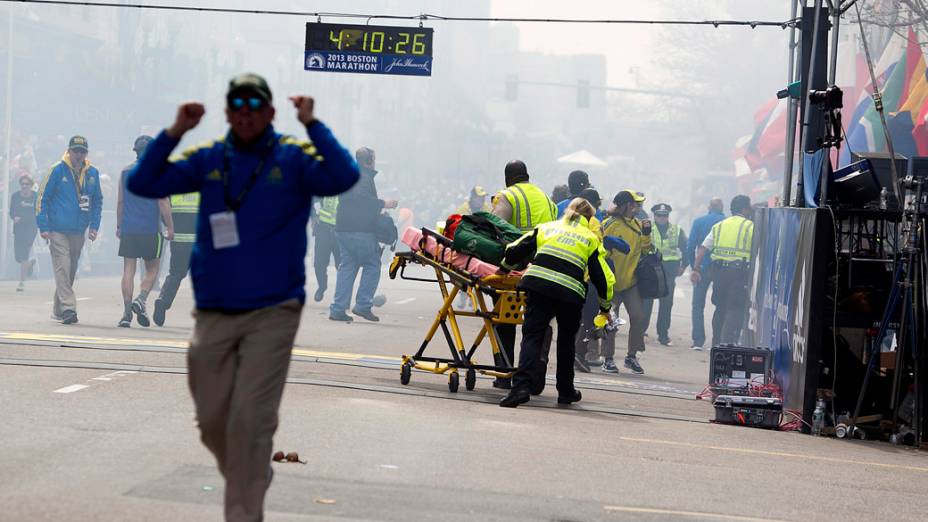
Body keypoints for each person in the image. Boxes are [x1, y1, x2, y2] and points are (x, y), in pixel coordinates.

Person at [127, 72, 359, 521]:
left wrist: (313, 124)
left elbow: (343, 175)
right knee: (212, 417)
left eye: (256, 106)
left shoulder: (294, 157)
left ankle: (245, 503)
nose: (247, 114)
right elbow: (143, 182)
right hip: (215, 308)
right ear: (228, 111)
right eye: (238, 106)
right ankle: (251, 469)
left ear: (271, 112)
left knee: (252, 419)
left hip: (274, 309)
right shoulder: (208, 157)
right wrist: (175, 131)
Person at [497, 197, 615, 407]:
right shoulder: (589, 238)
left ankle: (521, 388)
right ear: (589, 218)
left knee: (532, 337)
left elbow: (516, 248)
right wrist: (605, 307)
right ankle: (565, 391)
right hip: (570, 294)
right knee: (566, 341)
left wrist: (504, 268)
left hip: (539, 287)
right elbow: (602, 278)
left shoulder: (547, 228)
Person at [490, 160, 558, 388]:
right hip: (546, 267)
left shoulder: (508, 195)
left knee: (504, 319)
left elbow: (497, 226)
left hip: (517, 267)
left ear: (508, 178)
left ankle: (504, 375)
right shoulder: (546, 198)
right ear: (527, 175)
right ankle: (535, 374)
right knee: (538, 321)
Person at [36, 135, 103, 325]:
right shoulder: (57, 170)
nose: (79, 155)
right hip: (57, 230)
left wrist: (94, 226)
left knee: (71, 270)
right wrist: (44, 226)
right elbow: (42, 199)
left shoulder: (93, 173)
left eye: (83, 151)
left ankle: (58, 309)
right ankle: (68, 308)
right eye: (76, 151)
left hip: (79, 231)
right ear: (69, 151)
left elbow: (97, 201)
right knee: (62, 267)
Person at [330, 147, 396, 323]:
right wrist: (384, 204)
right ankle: (363, 305)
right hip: (360, 231)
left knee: (348, 266)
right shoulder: (363, 178)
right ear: (368, 160)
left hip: (343, 229)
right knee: (372, 264)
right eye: (374, 158)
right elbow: (361, 200)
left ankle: (338, 308)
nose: (375, 161)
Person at [117, 135, 173, 328]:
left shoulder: (125, 171)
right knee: (152, 269)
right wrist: (170, 227)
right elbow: (163, 201)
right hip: (151, 229)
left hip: (129, 228)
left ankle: (126, 314)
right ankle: (140, 300)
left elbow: (121, 202)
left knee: (128, 270)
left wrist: (118, 226)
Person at [601, 189, 652, 374]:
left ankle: (631, 357)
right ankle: (607, 358)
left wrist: (646, 234)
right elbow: (601, 249)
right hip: (611, 283)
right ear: (624, 206)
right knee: (611, 322)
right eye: (634, 204)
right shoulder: (609, 224)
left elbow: (645, 250)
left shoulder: (639, 225)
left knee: (638, 317)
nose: (637, 207)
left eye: (638, 204)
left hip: (631, 283)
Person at [692, 195, 753, 348]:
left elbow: (703, 249)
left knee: (720, 307)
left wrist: (695, 269)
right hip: (738, 273)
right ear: (745, 209)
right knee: (734, 307)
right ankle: (727, 343)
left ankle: (716, 342)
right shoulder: (749, 226)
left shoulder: (719, 226)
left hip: (718, 272)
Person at [641, 203, 688, 346]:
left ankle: (663, 335)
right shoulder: (647, 229)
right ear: (654, 216)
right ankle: (641, 331)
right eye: (659, 215)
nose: (662, 218)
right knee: (646, 302)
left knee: (666, 304)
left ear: (668, 216)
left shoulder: (677, 230)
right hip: (650, 270)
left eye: (665, 215)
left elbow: (686, 249)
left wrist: (683, 266)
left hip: (669, 270)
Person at [153, 191, 199, 326]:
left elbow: (164, 208)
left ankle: (163, 300)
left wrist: (170, 225)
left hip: (179, 239)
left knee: (176, 273)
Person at [686, 197, 725, 350]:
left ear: (709, 207)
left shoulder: (699, 222)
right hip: (720, 268)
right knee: (721, 304)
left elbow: (690, 246)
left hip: (701, 267)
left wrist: (693, 267)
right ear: (722, 208)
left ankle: (698, 340)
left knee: (697, 304)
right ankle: (719, 340)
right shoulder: (726, 222)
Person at [10, 175, 38, 291]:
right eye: (23, 184)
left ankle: (21, 282)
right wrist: (14, 217)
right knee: (18, 257)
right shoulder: (15, 196)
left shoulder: (35, 197)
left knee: (24, 253)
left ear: (30, 185)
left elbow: (40, 210)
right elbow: (11, 211)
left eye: (27, 184)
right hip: (19, 228)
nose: (24, 186)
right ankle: (29, 265)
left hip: (31, 228)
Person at [311, 195, 339, 302]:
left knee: (342, 266)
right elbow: (313, 201)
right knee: (319, 263)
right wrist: (314, 216)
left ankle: (342, 296)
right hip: (323, 229)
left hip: (341, 231)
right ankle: (322, 287)